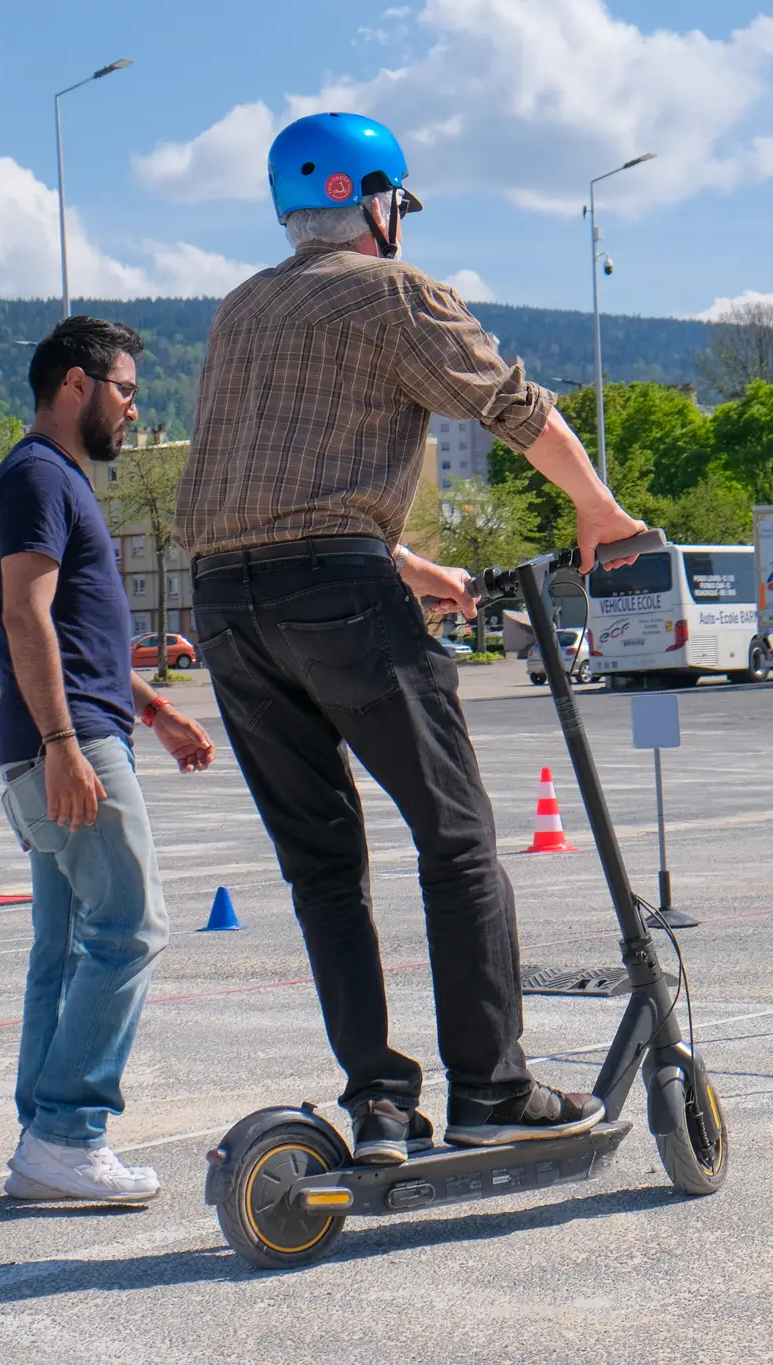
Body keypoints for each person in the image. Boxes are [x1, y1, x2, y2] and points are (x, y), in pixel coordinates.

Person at [176, 112, 647, 1165]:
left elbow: (265, 489)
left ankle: (379, 1104)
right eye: (395, 201)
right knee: (457, 839)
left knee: (322, 865)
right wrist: (598, 510)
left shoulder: (239, 309)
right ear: (373, 199)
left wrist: (399, 563)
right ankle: (490, 1087)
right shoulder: (394, 291)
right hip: (335, 596)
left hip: (227, 608)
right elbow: (507, 404)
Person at [0, 315, 216, 1202]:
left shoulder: (51, 479)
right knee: (130, 928)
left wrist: (154, 711)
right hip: (67, 744)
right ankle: (66, 1132)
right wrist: (64, 746)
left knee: (67, 946)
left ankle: (44, 1136)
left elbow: (81, 637)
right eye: (125, 390)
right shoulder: (42, 477)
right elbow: (25, 618)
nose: (132, 409)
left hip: (74, 735)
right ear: (76, 384)